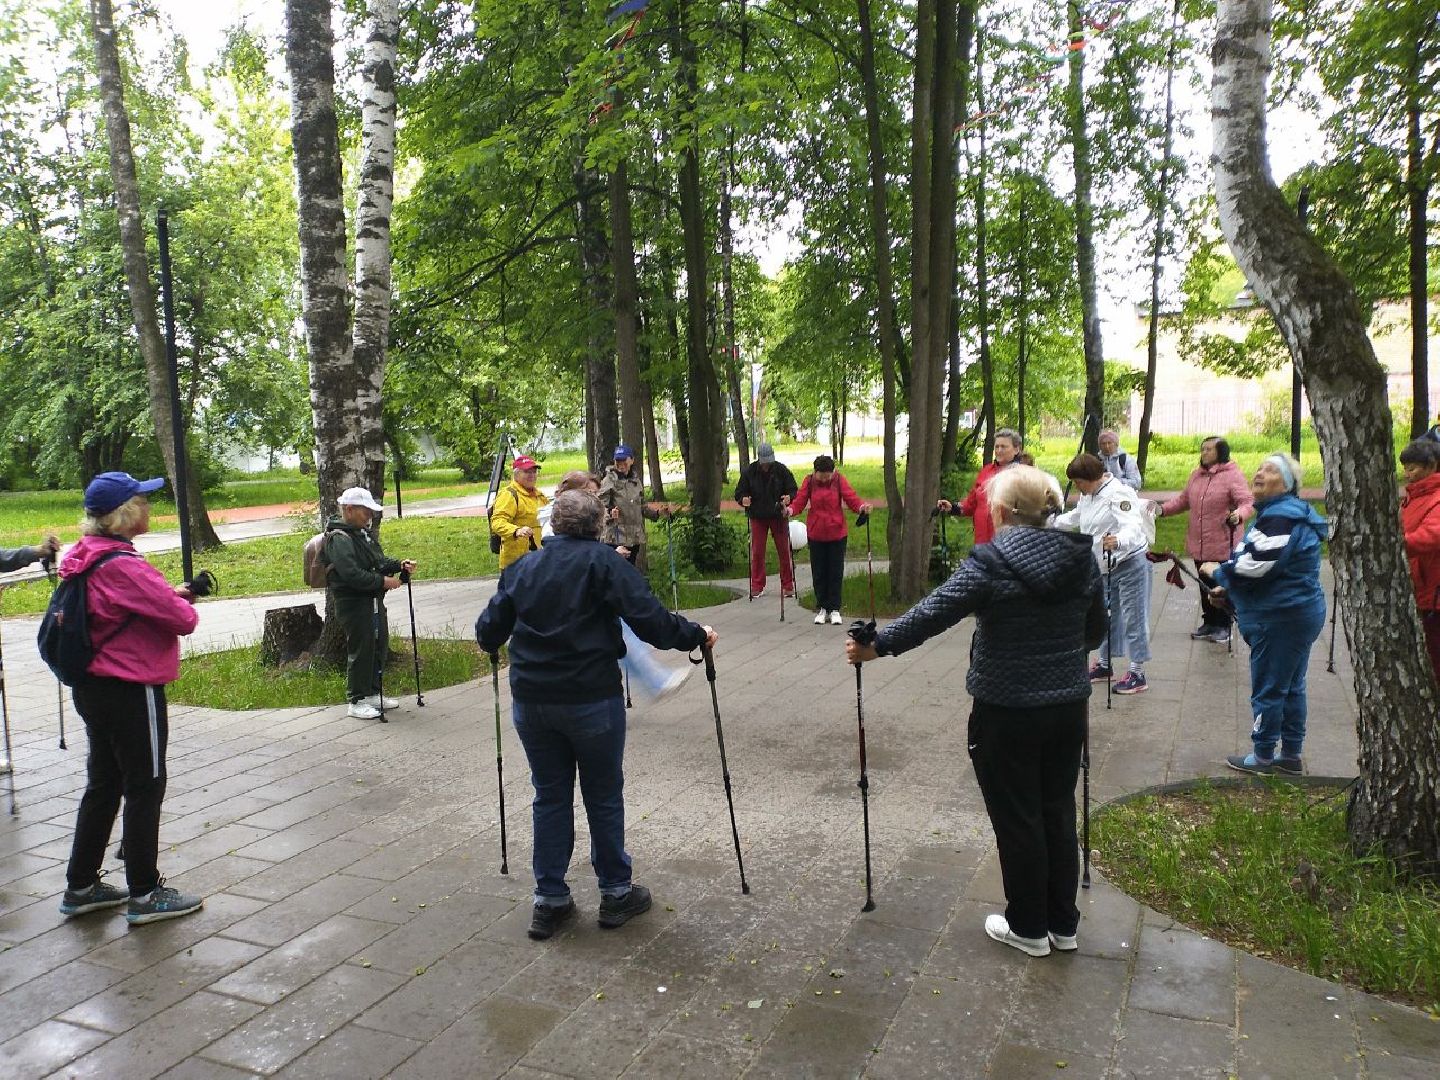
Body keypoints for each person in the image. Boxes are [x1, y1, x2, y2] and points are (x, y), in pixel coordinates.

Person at [846, 465, 1105, 957]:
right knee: (1056, 808)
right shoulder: (1082, 559)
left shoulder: (992, 561)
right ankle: (1062, 925)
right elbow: (1094, 632)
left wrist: (877, 645)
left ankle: (1029, 927)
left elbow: (935, 611)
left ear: (1002, 512)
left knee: (1017, 816)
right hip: (1067, 707)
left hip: (1006, 710)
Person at [476, 490, 718, 940]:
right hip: (590, 699)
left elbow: (488, 630)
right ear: (596, 528)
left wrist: (495, 643)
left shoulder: (522, 568)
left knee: (549, 795)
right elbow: (651, 622)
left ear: (553, 526)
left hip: (533, 701)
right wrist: (695, 636)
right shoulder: (606, 564)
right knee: (603, 794)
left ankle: (550, 901)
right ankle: (615, 893)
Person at [57, 472, 203, 925]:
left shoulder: (84, 556)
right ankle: (145, 892)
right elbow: (183, 619)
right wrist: (177, 599)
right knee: (145, 784)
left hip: (93, 686)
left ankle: (81, 885)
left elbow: (116, 608)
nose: (149, 506)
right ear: (125, 513)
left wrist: (162, 595)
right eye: (143, 499)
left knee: (103, 783)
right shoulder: (124, 564)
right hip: (130, 687)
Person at [1206, 454, 1327, 776]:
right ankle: (1289, 755)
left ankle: (1262, 756)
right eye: (1259, 468)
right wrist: (1230, 591)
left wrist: (1219, 572)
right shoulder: (1280, 514)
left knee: (1271, 688)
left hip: (1282, 616)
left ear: (1288, 484)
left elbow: (1257, 565)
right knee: (1290, 686)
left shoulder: (1281, 518)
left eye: (1271, 470)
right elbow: (1270, 565)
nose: (1260, 473)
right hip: (1294, 612)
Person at [1054, 454, 1154, 695]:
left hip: (1129, 562)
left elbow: (1132, 524)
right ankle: (1105, 664)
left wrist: (1118, 540)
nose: (1077, 486)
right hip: (1103, 566)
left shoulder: (1118, 493)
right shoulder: (1089, 495)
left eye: (1078, 481)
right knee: (1105, 615)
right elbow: (1077, 517)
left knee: (1134, 616)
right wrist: (1049, 521)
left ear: (1091, 477)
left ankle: (1137, 671)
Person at [323, 487, 417, 720]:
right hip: (353, 602)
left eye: (370, 511)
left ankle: (373, 692)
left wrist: (397, 565)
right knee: (362, 648)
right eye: (365, 511)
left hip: (372, 600)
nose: (369, 516)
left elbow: (378, 561)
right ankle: (356, 699)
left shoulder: (361, 534)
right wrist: (383, 581)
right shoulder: (339, 538)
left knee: (379, 643)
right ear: (350, 509)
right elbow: (351, 575)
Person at [1152, 436, 1253, 645]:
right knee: (1203, 583)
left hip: (1223, 542)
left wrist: (1239, 515)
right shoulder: (1196, 476)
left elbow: (1247, 502)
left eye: (1209, 449)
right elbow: (1183, 500)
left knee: (1221, 584)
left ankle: (1224, 625)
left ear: (1221, 452)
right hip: (1199, 542)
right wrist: (1162, 510)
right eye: (1202, 449)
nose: (1204, 453)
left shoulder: (1232, 476)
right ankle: (1209, 622)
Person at [788, 454, 868, 625]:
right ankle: (822, 608)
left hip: (837, 533)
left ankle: (835, 609)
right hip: (816, 533)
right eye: (821, 476)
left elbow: (851, 498)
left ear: (833, 472)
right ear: (815, 472)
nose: (825, 479)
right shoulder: (809, 482)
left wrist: (861, 507)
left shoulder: (839, 480)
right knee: (819, 572)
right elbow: (799, 502)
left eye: (828, 476)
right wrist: (789, 510)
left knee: (835, 572)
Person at [938, 427, 1022, 547]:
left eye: (1004, 446)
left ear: (1016, 449)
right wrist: (953, 508)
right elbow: (971, 503)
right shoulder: (986, 471)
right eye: (996, 446)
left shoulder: (1024, 476)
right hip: (982, 543)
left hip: (1010, 545)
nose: (999, 450)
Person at [735, 443, 798, 599]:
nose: (766, 464)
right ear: (759, 459)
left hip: (778, 515)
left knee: (784, 550)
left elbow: (793, 488)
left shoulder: (781, 470)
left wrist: (789, 497)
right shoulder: (749, 471)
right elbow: (739, 492)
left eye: (769, 461)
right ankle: (757, 585)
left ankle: (788, 584)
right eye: (764, 461)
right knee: (757, 551)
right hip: (757, 516)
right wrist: (743, 499)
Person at [1400, 438, 1440, 682]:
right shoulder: (1413, 497)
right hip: (1418, 588)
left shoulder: (1436, 499)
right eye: (1405, 467)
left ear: (1431, 466)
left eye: (1413, 468)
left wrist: (1396, 544)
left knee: (1434, 660)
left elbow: (1430, 537)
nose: (1407, 474)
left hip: (1433, 595)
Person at [599, 445, 664, 570]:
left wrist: (657, 513)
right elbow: (599, 506)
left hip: (634, 536)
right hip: (616, 536)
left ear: (632, 460)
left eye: (624, 460)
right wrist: (609, 512)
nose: (621, 463)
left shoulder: (635, 481)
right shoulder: (609, 480)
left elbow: (641, 505)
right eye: (618, 460)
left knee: (630, 570)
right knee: (617, 571)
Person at [491, 455, 548, 570]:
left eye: (534, 471)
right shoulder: (509, 494)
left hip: (539, 558)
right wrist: (516, 531)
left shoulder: (539, 495)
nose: (532, 475)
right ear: (516, 475)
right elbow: (497, 522)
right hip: (517, 563)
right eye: (527, 472)